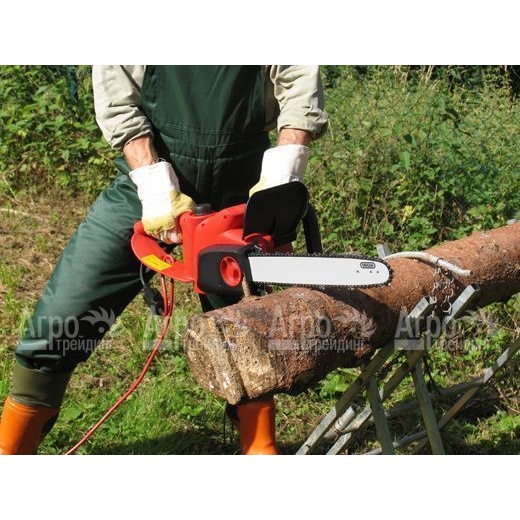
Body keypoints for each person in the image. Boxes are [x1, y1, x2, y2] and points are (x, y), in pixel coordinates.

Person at [0, 66, 328, 455]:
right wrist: (155, 186)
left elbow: (298, 77)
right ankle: (12, 451)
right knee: (63, 317)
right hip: (148, 176)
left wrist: (281, 175)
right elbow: (117, 91)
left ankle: (260, 447)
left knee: (248, 332)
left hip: (244, 182)